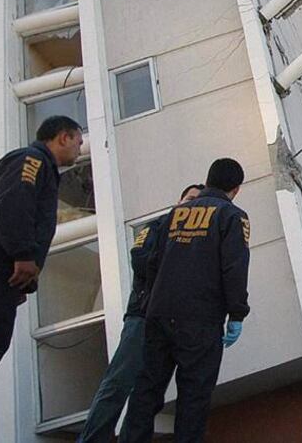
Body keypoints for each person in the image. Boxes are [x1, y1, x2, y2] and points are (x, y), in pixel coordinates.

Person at [120, 159, 250, 443]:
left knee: (146, 392)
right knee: (194, 396)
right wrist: (237, 314)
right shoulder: (231, 216)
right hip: (200, 320)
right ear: (236, 189)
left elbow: (151, 262)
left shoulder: (173, 215)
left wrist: (152, 303)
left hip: (159, 315)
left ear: (209, 179)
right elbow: (234, 268)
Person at [76, 184, 205, 443]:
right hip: (143, 319)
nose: (191, 206)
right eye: (189, 199)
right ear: (179, 201)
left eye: (197, 203)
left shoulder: (198, 239)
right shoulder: (157, 227)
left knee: (148, 395)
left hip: (173, 325)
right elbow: (141, 259)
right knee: (118, 385)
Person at [0, 116, 83, 399]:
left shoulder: (39, 167)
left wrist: (23, 284)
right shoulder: (32, 160)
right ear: (63, 137)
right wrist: (22, 254)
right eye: (78, 142)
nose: (79, 150)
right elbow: (14, 204)